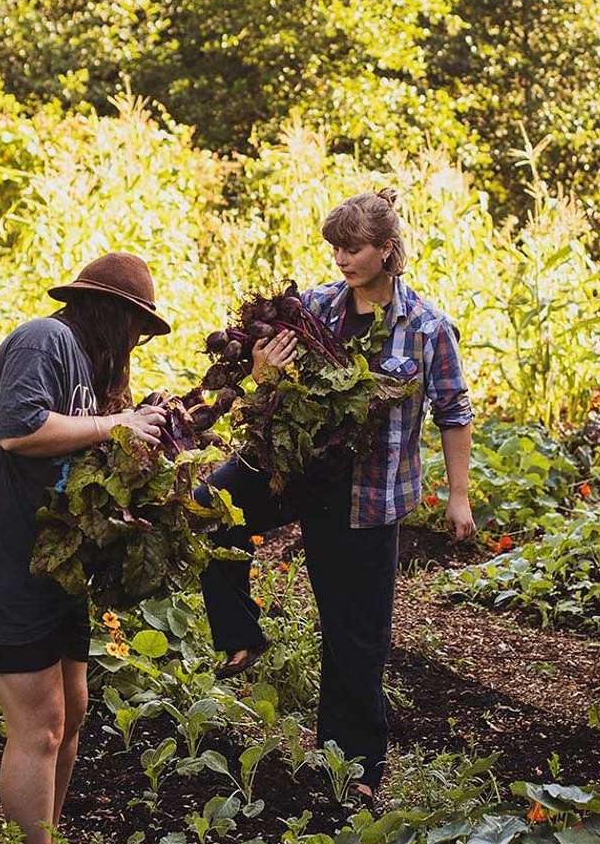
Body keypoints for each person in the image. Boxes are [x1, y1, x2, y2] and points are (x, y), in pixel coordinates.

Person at [198, 188, 475, 799]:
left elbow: (454, 412)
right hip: (296, 469)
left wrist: (459, 495)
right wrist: (264, 373)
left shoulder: (427, 328)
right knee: (210, 506)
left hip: (367, 497)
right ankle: (240, 633)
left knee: (355, 639)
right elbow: (270, 390)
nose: (342, 260)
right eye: (336, 249)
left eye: (354, 248)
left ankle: (353, 777)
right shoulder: (316, 307)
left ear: (387, 249)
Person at [0, 252, 170, 844]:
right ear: (111, 313)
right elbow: (19, 431)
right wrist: (115, 426)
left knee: (71, 713)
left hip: (49, 564)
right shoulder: (45, 339)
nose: (136, 344)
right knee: (39, 729)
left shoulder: (89, 369)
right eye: (137, 329)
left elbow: (91, 453)